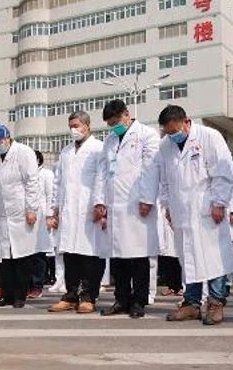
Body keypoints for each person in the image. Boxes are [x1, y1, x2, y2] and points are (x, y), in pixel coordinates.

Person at [155, 105, 233, 326]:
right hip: (181, 211)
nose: (172, 136)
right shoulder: (165, 145)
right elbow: (164, 180)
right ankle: (191, 303)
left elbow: (224, 173)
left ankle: (216, 303)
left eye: (175, 131)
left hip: (207, 209)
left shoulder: (209, 137)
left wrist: (219, 203)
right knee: (188, 258)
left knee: (213, 258)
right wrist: (168, 207)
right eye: (168, 133)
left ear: (186, 122)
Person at [94, 99, 160, 319]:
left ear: (126, 114)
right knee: (118, 256)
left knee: (138, 255)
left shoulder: (147, 135)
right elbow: (102, 171)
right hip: (115, 204)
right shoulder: (110, 140)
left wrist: (147, 198)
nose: (114, 127)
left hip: (137, 204)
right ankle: (121, 299)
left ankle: (139, 300)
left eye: (116, 122)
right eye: (110, 124)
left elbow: (151, 169)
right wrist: (99, 200)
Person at [47, 111, 107, 314]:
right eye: (71, 126)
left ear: (87, 125)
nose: (73, 129)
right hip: (68, 210)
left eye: (76, 125)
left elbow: (102, 178)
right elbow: (58, 183)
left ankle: (89, 296)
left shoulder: (98, 148)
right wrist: (54, 209)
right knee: (70, 255)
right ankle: (71, 295)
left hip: (89, 210)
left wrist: (99, 203)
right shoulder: (65, 152)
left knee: (90, 255)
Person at [0, 123, 45, 308]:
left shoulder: (24, 152)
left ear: (7, 138)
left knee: (22, 256)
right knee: (6, 257)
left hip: (22, 211)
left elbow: (32, 182)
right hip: (4, 212)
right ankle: (6, 295)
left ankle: (20, 295)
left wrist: (31, 209)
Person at [28, 150, 54, 299]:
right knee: (27, 253)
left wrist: (50, 215)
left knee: (39, 254)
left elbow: (51, 195)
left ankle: (37, 285)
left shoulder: (46, 174)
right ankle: (28, 285)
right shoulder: (26, 174)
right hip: (27, 217)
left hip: (42, 216)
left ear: (38, 160)